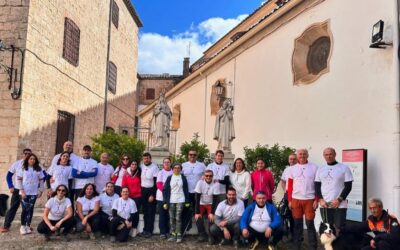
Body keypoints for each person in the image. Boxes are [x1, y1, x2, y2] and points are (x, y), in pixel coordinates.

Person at [315, 147, 353, 232]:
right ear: (324, 156)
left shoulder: (344, 168)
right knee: (328, 228)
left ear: (335, 154)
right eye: (326, 155)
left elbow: (348, 186)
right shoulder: (320, 169)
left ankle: (341, 245)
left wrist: (339, 200)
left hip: (339, 204)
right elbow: (317, 185)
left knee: (340, 227)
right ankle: (330, 245)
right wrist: (320, 199)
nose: (328, 156)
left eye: (330, 154)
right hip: (325, 203)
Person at [287, 149, 319, 250]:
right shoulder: (292, 169)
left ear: (307, 155)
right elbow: (290, 185)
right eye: (300, 154)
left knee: (310, 224)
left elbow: (318, 185)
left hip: (309, 199)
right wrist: (290, 200)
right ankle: (296, 246)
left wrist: (316, 199)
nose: (302, 155)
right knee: (297, 225)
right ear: (297, 156)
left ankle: (313, 247)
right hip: (296, 199)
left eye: (304, 154)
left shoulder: (314, 167)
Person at [0, 148, 31, 233]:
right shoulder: (17, 164)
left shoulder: (34, 164)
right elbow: (9, 175)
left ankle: (26, 226)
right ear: (23, 154)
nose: (27, 155)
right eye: (25, 153)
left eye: (29, 153)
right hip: (17, 189)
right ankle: (6, 226)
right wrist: (10, 186)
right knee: (13, 208)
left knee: (27, 208)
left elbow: (42, 175)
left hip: (28, 190)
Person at [16, 153, 45, 235]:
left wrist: (40, 191)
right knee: (25, 209)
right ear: (27, 160)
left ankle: (28, 226)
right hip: (24, 192)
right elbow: (19, 180)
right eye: (30, 159)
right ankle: (22, 226)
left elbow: (41, 181)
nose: (32, 160)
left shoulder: (38, 169)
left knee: (31, 209)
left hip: (33, 193)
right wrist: (22, 191)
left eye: (34, 159)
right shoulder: (23, 168)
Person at [163, 163, 190, 243]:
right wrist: (165, 202)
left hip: (181, 200)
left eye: (178, 168)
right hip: (171, 200)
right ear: (172, 169)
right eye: (175, 168)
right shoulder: (169, 178)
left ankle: (179, 235)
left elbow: (186, 189)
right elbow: (165, 190)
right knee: (171, 218)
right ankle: (173, 234)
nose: (177, 169)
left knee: (178, 218)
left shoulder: (183, 178)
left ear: (180, 169)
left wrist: (187, 200)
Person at [181, 149, 206, 234]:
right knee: (185, 211)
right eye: (190, 154)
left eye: (194, 155)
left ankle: (201, 233)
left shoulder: (202, 165)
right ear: (188, 155)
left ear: (197, 156)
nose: (192, 156)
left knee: (198, 211)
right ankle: (183, 230)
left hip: (198, 192)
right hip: (186, 193)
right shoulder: (183, 165)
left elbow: (207, 175)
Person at [194, 169, 218, 243]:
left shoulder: (215, 184)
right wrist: (197, 212)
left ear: (212, 176)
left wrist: (212, 212)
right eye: (206, 175)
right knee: (197, 217)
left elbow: (215, 199)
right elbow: (197, 198)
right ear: (204, 176)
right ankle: (201, 234)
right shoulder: (200, 183)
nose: (208, 177)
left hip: (210, 203)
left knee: (211, 218)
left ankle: (211, 236)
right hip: (201, 203)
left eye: (210, 176)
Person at [140, 152, 159, 237]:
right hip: (143, 190)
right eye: (144, 158)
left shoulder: (154, 167)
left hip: (151, 190)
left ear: (150, 159)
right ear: (143, 159)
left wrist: (153, 195)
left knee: (151, 212)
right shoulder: (141, 166)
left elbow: (156, 182)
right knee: (145, 212)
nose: (146, 160)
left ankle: (149, 231)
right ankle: (145, 230)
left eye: (147, 158)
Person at [278, 153, 297, 240]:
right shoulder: (286, 169)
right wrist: (285, 190)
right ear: (288, 160)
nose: (292, 160)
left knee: (295, 216)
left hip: (297, 195)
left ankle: (295, 235)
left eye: (294, 159)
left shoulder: (299, 168)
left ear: (296, 159)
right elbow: (283, 181)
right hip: (287, 195)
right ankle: (286, 233)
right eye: (290, 159)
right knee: (286, 214)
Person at [121, 160, 142, 237]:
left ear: (137, 165)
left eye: (135, 164)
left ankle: (134, 229)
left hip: (137, 196)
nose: (134, 165)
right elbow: (123, 185)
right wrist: (124, 194)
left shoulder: (140, 173)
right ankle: (127, 227)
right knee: (127, 212)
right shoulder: (126, 174)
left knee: (135, 213)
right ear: (130, 165)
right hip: (128, 196)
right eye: (132, 164)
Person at [156, 158, 173, 239]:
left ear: (170, 163)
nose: (166, 163)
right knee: (162, 215)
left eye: (168, 162)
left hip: (172, 197)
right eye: (165, 162)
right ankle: (162, 232)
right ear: (163, 164)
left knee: (169, 215)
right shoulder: (161, 172)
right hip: (161, 197)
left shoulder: (173, 172)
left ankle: (168, 231)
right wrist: (166, 191)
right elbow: (159, 184)